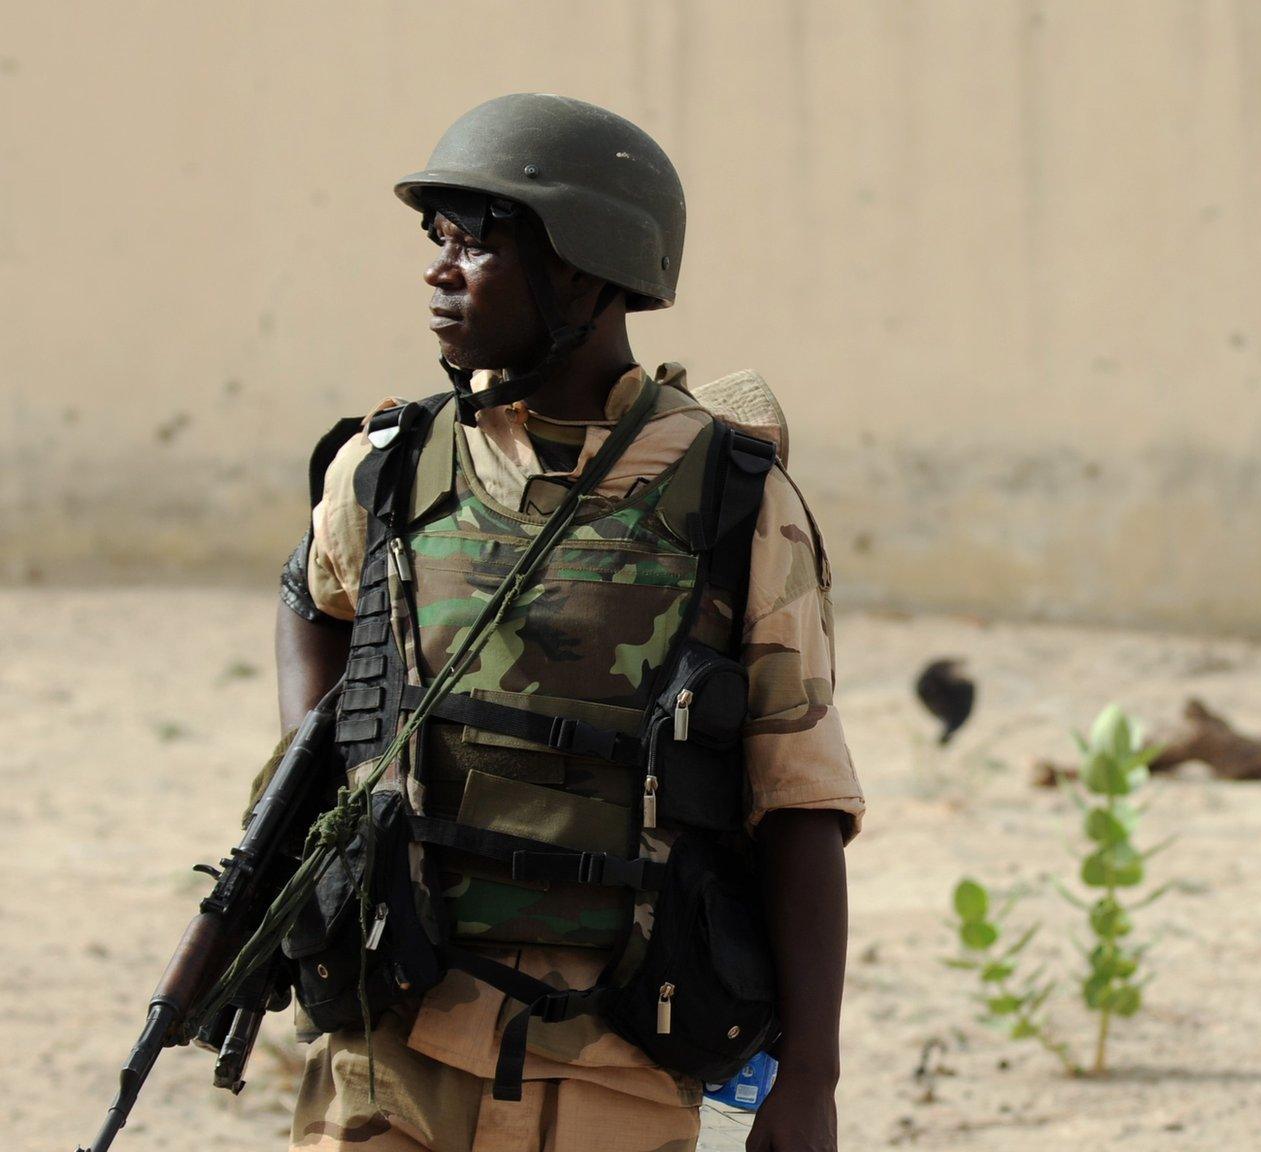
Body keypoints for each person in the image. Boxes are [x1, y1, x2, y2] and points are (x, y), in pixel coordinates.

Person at [274, 93, 862, 1152]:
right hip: (390, 1030)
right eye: (436, 239)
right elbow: (312, 601)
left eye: (478, 242)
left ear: (585, 269)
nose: (439, 270)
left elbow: (799, 796)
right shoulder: (391, 470)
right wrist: (328, 777)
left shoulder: (730, 500)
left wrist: (809, 1080)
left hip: (614, 1053)